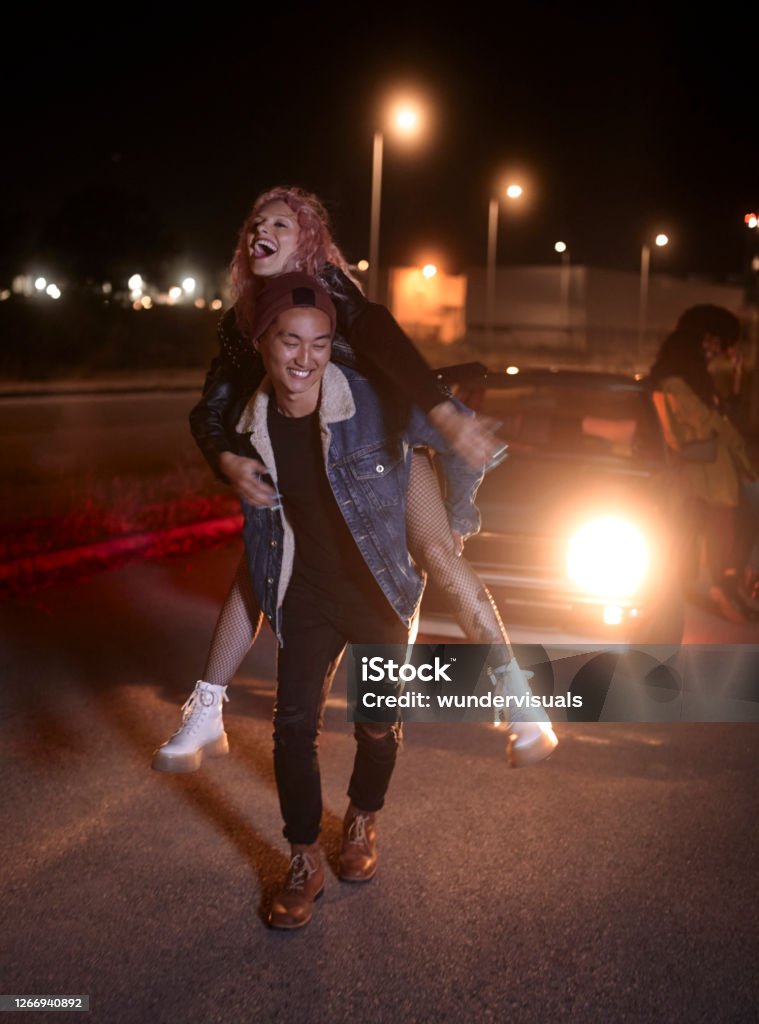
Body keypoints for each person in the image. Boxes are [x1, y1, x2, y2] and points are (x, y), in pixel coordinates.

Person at [153, 186, 558, 771]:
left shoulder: (334, 293)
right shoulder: (243, 322)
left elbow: (383, 340)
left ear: (309, 241)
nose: (258, 231)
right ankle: (207, 711)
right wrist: (226, 457)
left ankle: (518, 699)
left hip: (375, 449)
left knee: (438, 552)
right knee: (257, 571)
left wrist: (439, 409)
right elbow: (211, 408)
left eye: (279, 224)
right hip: (300, 456)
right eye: (254, 223)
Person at [180, 273, 517, 928]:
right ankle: (304, 857)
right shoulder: (247, 426)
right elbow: (213, 434)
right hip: (306, 589)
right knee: (292, 725)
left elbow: (454, 434)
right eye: (290, 342)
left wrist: (450, 521)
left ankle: (361, 819)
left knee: (376, 723)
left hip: (380, 590)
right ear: (263, 342)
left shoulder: (367, 397)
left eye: (320, 342)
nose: (305, 358)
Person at [649, 327, 758, 623]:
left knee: (734, 522)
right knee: (732, 521)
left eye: (718, 344)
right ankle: (725, 588)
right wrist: (737, 447)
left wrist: (736, 376)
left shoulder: (691, 379)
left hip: (712, 467)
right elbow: (711, 425)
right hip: (704, 470)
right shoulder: (677, 384)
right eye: (710, 341)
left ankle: (729, 587)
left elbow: (724, 419)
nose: (713, 349)